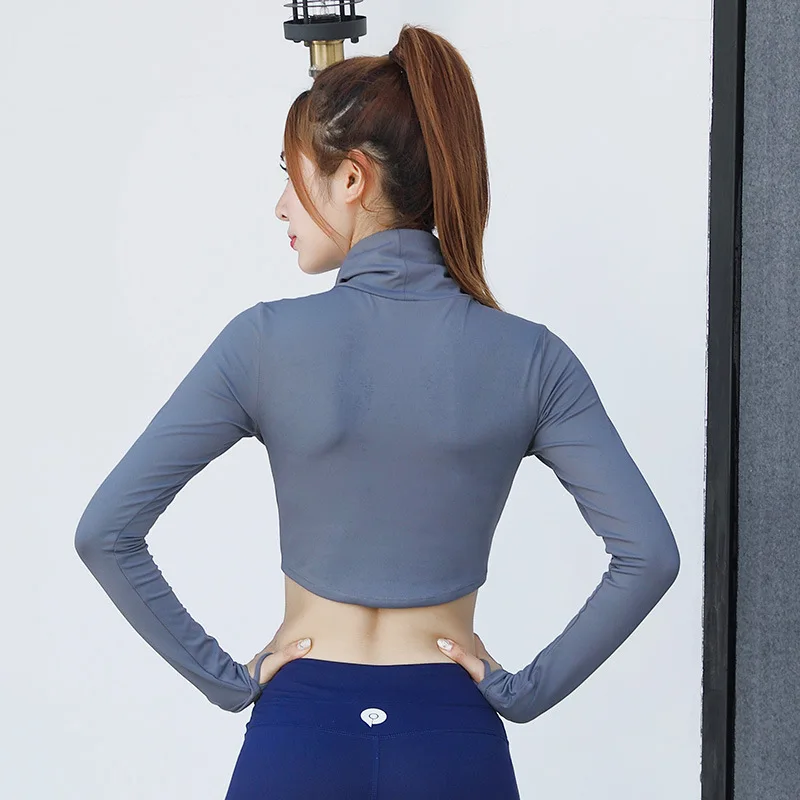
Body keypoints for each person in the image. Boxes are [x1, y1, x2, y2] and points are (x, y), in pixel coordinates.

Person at [74, 24, 680, 799]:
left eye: (293, 177)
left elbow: (105, 531)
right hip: (452, 742)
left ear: (353, 178)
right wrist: (525, 692)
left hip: (299, 737)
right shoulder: (533, 358)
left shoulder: (262, 342)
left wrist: (226, 680)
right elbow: (649, 555)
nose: (281, 205)